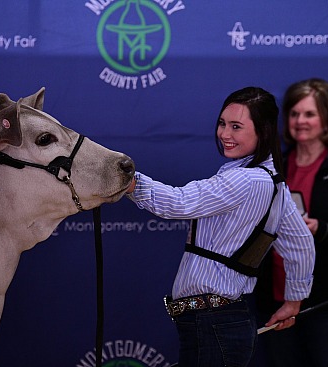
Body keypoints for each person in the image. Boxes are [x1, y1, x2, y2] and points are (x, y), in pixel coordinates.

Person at [126, 87, 315, 367]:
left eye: (236, 126)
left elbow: (177, 203)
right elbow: (301, 245)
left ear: (262, 131)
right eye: (222, 123)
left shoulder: (246, 181)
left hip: (214, 323)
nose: (224, 134)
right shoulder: (274, 182)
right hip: (220, 322)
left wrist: (124, 178)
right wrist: (294, 301)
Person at [254, 78, 328, 367]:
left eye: (309, 114)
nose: (300, 121)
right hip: (274, 301)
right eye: (294, 113)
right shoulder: (270, 170)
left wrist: (321, 229)